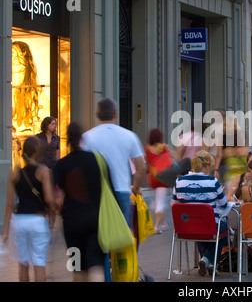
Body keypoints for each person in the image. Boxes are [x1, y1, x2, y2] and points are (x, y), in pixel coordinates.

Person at [81, 97, 146, 227]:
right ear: (115, 113)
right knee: (123, 236)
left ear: (97, 114)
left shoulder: (87, 137)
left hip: (97, 193)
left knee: (100, 235)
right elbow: (141, 168)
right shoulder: (129, 136)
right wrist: (136, 187)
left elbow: (81, 168)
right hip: (122, 191)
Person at [53, 122, 105, 282]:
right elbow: (108, 192)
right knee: (96, 265)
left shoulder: (61, 164)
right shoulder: (98, 160)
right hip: (96, 220)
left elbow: (57, 198)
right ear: (83, 138)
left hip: (72, 224)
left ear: (67, 140)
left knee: (77, 268)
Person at [3, 136, 57, 282]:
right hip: (38, 221)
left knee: (23, 265)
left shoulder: (14, 174)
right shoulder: (43, 171)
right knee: (39, 264)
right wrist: (55, 207)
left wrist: (5, 231)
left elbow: (9, 204)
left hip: (19, 222)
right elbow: (49, 199)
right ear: (38, 152)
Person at [172, 150, 228, 277]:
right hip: (209, 226)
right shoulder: (213, 182)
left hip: (185, 228)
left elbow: (174, 204)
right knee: (222, 228)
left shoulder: (179, 181)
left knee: (198, 225)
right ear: (206, 166)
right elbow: (223, 204)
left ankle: (207, 261)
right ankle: (208, 260)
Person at [145, 128, 173, 234]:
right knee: (160, 203)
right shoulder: (164, 147)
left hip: (152, 177)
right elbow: (170, 159)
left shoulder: (147, 148)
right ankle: (156, 226)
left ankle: (162, 222)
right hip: (163, 177)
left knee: (155, 201)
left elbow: (147, 162)